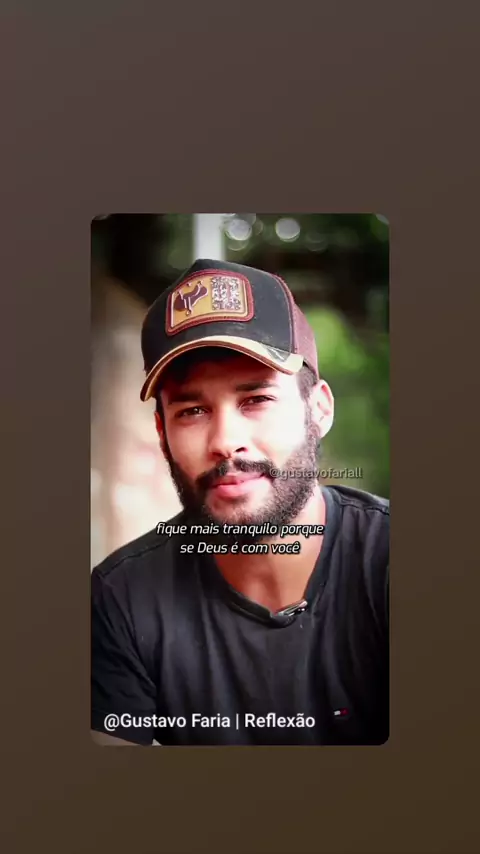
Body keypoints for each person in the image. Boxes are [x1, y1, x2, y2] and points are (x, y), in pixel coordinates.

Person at [91, 258, 389, 746]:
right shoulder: (119, 600)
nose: (225, 442)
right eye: (193, 411)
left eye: (256, 400)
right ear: (162, 433)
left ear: (319, 409)